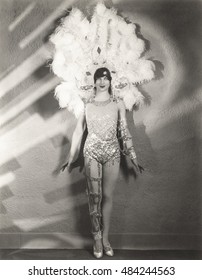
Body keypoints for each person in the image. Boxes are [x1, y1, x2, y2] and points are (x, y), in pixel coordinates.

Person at [61, 67, 144, 258]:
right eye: (99, 77)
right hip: (91, 151)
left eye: (106, 78)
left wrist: (133, 156)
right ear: (94, 81)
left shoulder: (118, 103)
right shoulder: (86, 103)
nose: (102, 81)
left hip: (113, 152)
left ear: (111, 80)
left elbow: (124, 131)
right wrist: (71, 156)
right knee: (94, 197)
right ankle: (96, 238)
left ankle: (106, 239)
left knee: (107, 196)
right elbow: (78, 131)